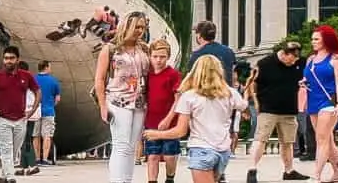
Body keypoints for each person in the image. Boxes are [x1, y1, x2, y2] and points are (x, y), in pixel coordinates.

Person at [143, 56, 247, 183]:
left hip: (201, 149)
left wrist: (157, 134)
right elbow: (243, 106)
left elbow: (180, 131)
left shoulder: (190, 97)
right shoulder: (230, 93)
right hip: (223, 150)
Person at [95, 13, 152, 183]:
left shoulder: (144, 49)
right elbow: (99, 78)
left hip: (139, 103)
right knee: (120, 145)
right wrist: (102, 106)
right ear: (126, 26)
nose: (140, 31)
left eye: (143, 27)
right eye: (136, 27)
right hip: (117, 101)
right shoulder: (110, 49)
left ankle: (126, 179)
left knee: (131, 146)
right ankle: (118, 180)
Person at [244, 42, 305, 183]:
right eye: (291, 59)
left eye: (296, 59)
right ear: (284, 54)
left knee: (288, 142)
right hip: (268, 108)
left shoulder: (300, 62)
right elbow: (252, 82)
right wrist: (254, 102)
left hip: (289, 109)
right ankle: (252, 169)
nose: (293, 62)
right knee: (260, 139)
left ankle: (289, 170)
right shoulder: (265, 64)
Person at [298, 26, 338, 183]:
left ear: (326, 40)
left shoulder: (337, 59)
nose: (313, 42)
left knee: (322, 139)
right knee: (328, 139)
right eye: (312, 39)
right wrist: (304, 82)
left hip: (329, 101)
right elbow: (308, 77)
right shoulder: (311, 59)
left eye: (317, 39)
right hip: (313, 100)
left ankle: (316, 175)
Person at [0, 45, 39, 183]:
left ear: (17, 59)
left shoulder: (26, 76)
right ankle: (10, 177)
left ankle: (3, 176)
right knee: (6, 148)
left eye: (11, 58)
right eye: (6, 58)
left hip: (21, 119)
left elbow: (37, 91)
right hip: (2, 119)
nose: (8, 61)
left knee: (15, 149)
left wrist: (33, 109)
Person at [144, 40, 184, 183]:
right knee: (152, 155)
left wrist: (168, 119)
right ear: (150, 56)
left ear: (168, 57)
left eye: (162, 57)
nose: (158, 60)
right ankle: (152, 180)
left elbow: (178, 99)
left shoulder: (173, 74)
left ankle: (170, 177)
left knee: (169, 154)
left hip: (170, 122)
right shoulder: (148, 75)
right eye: (155, 56)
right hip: (151, 121)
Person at [32, 61, 61, 169]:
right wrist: (51, 105)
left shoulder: (33, 79)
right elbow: (57, 99)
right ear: (46, 67)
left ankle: (36, 159)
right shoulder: (53, 81)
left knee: (35, 135)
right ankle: (44, 159)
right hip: (48, 111)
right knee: (47, 136)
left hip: (35, 111)